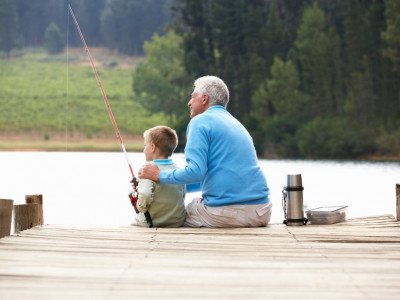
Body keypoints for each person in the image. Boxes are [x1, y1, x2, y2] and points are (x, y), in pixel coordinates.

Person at [138, 76, 272, 228]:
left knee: (175, 216)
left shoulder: (199, 121)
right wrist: (165, 184)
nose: (189, 103)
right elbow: (208, 179)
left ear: (204, 99)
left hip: (228, 213)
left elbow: (195, 172)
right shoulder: (237, 124)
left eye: (192, 96)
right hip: (262, 211)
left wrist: (159, 175)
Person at [133, 126, 186, 227]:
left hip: (153, 222)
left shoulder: (148, 170)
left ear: (152, 147)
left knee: (136, 219)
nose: (144, 150)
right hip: (177, 222)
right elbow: (182, 194)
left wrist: (140, 207)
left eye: (145, 146)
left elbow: (145, 195)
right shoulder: (178, 170)